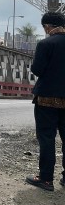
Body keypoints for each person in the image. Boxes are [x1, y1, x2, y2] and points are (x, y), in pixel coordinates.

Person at [25, 11, 65, 191]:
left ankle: (46, 179)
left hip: (47, 98)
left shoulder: (45, 44)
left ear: (47, 26)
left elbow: (38, 69)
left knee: (47, 138)